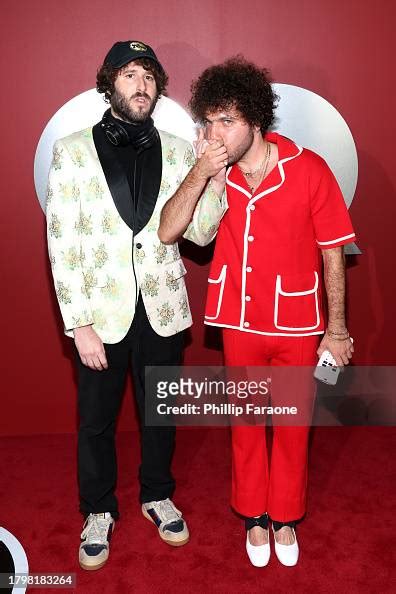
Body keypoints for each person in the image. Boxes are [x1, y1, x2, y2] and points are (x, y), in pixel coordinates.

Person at [158, 56, 355, 567]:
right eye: (209, 121)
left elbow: (333, 250)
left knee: (292, 427)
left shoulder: (309, 169)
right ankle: (254, 515)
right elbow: (170, 232)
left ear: (255, 119)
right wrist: (204, 172)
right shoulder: (213, 175)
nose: (215, 133)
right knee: (245, 425)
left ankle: (285, 518)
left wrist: (336, 330)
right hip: (238, 324)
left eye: (227, 121)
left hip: (297, 326)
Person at [46, 40, 227, 571]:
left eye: (149, 75)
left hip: (162, 309)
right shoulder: (73, 149)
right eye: (129, 74)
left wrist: (212, 182)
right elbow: (62, 241)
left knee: (160, 414)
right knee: (97, 421)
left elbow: (199, 234)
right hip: (100, 316)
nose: (141, 84)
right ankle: (98, 509)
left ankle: (157, 494)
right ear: (109, 83)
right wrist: (77, 322)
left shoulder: (178, 149)